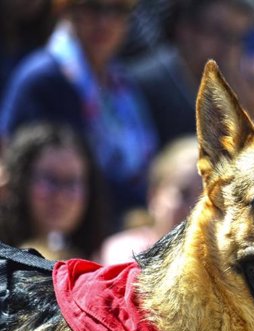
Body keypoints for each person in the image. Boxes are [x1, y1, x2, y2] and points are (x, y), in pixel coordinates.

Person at [0, 0, 158, 224]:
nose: (104, 22)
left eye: (117, 10)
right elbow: (22, 173)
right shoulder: (43, 78)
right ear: (66, 10)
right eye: (92, 8)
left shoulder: (123, 84)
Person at [127, 0, 254, 148]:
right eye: (218, 31)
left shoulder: (227, 89)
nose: (227, 48)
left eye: (236, 38)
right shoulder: (145, 83)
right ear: (185, 29)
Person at [0, 122, 105, 260]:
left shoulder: (103, 260)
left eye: (71, 182)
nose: (61, 196)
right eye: (50, 179)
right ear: (19, 181)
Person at [99, 136, 201, 264]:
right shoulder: (125, 249)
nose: (195, 208)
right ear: (153, 196)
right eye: (183, 194)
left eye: (204, 199)